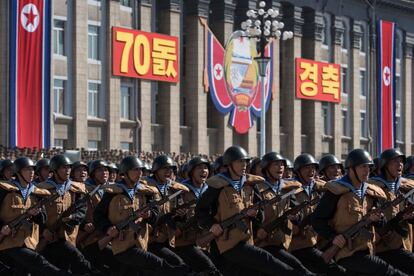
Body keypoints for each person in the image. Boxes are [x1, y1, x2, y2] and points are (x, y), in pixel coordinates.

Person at [196, 146, 306, 276]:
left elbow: (260, 213)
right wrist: (211, 225)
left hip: (247, 240)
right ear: (230, 164)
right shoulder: (218, 185)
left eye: (245, 162)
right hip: (226, 242)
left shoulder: (250, 184)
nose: (244, 165)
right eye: (240, 162)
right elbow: (200, 210)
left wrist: (255, 215)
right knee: (268, 260)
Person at [312, 149, 407, 276]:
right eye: (363, 167)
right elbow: (317, 220)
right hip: (346, 252)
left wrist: (377, 219)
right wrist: (333, 237)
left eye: (369, 167)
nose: (367, 171)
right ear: (351, 169)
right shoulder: (336, 191)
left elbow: (382, 224)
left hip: (368, 250)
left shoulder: (371, 193)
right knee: (388, 271)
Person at [94, 155, 188, 275]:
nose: (139, 173)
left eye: (141, 170)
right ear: (125, 172)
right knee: (158, 263)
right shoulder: (113, 192)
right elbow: (98, 215)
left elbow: (155, 215)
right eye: (135, 170)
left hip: (142, 242)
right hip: (122, 244)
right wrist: (107, 228)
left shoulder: (146, 192)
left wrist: (149, 215)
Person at [0, 157, 67, 275]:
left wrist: (37, 213)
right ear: (18, 172)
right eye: (27, 169)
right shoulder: (4, 189)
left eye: (32, 170)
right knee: (38, 262)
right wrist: (1, 227)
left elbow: (43, 220)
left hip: (29, 241)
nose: (31, 173)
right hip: (8, 240)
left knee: (21, 271)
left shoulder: (37, 193)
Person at [36, 155, 100, 275]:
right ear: (54, 170)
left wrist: (72, 217)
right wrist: (44, 231)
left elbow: (82, 211)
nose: (67, 170)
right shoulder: (42, 189)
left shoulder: (76, 189)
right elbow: (35, 213)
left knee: (69, 265)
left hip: (68, 236)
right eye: (63, 168)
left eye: (69, 167)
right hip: (48, 238)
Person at [255, 152, 314, 275]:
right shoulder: (257, 188)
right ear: (266, 168)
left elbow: (297, 210)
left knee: (298, 268)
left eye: (282, 165)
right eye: (276, 164)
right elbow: (252, 215)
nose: (280, 167)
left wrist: (296, 217)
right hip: (263, 243)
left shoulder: (287, 189)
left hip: (282, 242)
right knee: (297, 270)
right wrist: (258, 230)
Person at [288, 154, 345, 275]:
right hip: (298, 245)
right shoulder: (290, 190)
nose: (311, 171)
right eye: (306, 168)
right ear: (298, 171)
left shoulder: (319, 188)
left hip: (315, 241)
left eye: (313, 168)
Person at [368, 149, 414, 275]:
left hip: (404, 243)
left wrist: (409, 217)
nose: (399, 164)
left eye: (401, 162)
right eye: (395, 161)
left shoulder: (405, 187)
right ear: (385, 165)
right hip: (384, 246)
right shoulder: (373, 188)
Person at [174, 156, 221, 275]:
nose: (204, 171)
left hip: (206, 240)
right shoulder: (181, 190)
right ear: (191, 172)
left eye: (206, 168)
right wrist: (180, 216)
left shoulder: (211, 190)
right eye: (199, 168)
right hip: (184, 242)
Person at [144, 155, 190, 271]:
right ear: (156, 170)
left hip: (168, 238)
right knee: (177, 265)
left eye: (171, 169)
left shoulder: (174, 189)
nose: (168, 172)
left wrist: (181, 214)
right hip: (150, 239)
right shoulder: (145, 188)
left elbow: (178, 217)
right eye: (164, 169)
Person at [79, 160, 120, 274]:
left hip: (108, 235)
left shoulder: (110, 189)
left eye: (106, 170)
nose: (104, 173)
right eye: (100, 170)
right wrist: (84, 225)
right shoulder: (84, 189)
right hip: (90, 238)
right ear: (93, 173)